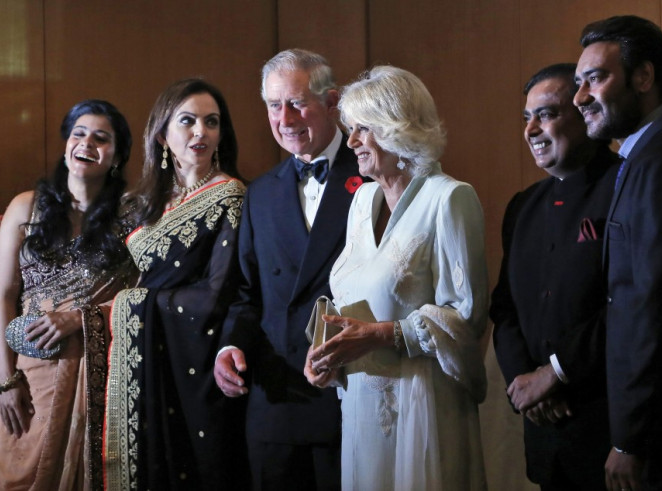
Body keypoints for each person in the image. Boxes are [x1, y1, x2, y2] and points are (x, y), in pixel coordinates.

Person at [305, 66, 489, 490]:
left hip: (422, 410)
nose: (350, 141)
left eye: (361, 129)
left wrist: (382, 335)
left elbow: (466, 319)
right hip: (359, 411)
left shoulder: (450, 198)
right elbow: (352, 294)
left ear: (397, 129)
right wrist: (325, 354)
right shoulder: (362, 199)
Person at [214, 49, 359, 490]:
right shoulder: (259, 193)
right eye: (274, 106)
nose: (285, 117)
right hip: (276, 398)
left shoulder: (373, 176)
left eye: (296, 103)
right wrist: (229, 347)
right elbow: (246, 292)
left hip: (348, 392)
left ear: (332, 102)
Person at [101, 78, 249, 490]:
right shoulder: (143, 204)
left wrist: (133, 304)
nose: (201, 131)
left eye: (212, 122)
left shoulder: (229, 196)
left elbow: (218, 291)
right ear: (163, 134)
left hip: (196, 362)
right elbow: (95, 262)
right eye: (188, 120)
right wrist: (30, 231)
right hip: (145, 360)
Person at [574, 15, 662, 491]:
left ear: (643, 77)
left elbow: (654, 306)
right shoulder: (651, 155)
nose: (580, 97)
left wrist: (631, 440)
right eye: (578, 83)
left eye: (595, 79)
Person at [0, 100, 136, 489]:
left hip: (101, 376)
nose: (87, 143)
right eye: (79, 133)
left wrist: (79, 319)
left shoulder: (133, 218)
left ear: (117, 156)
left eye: (101, 138)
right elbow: (3, 296)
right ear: (67, 143)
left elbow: (145, 295)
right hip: (30, 376)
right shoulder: (25, 208)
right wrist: (5, 379)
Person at [490, 63, 619, 490]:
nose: (530, 130)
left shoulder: (627, 186)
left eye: (545, 114)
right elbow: (504, 310)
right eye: (526, 118)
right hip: (545, 433)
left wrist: (555, 373)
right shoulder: (523, 205)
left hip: (612, 433)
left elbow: (632, 305)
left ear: (585, 113)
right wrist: (522, 383)